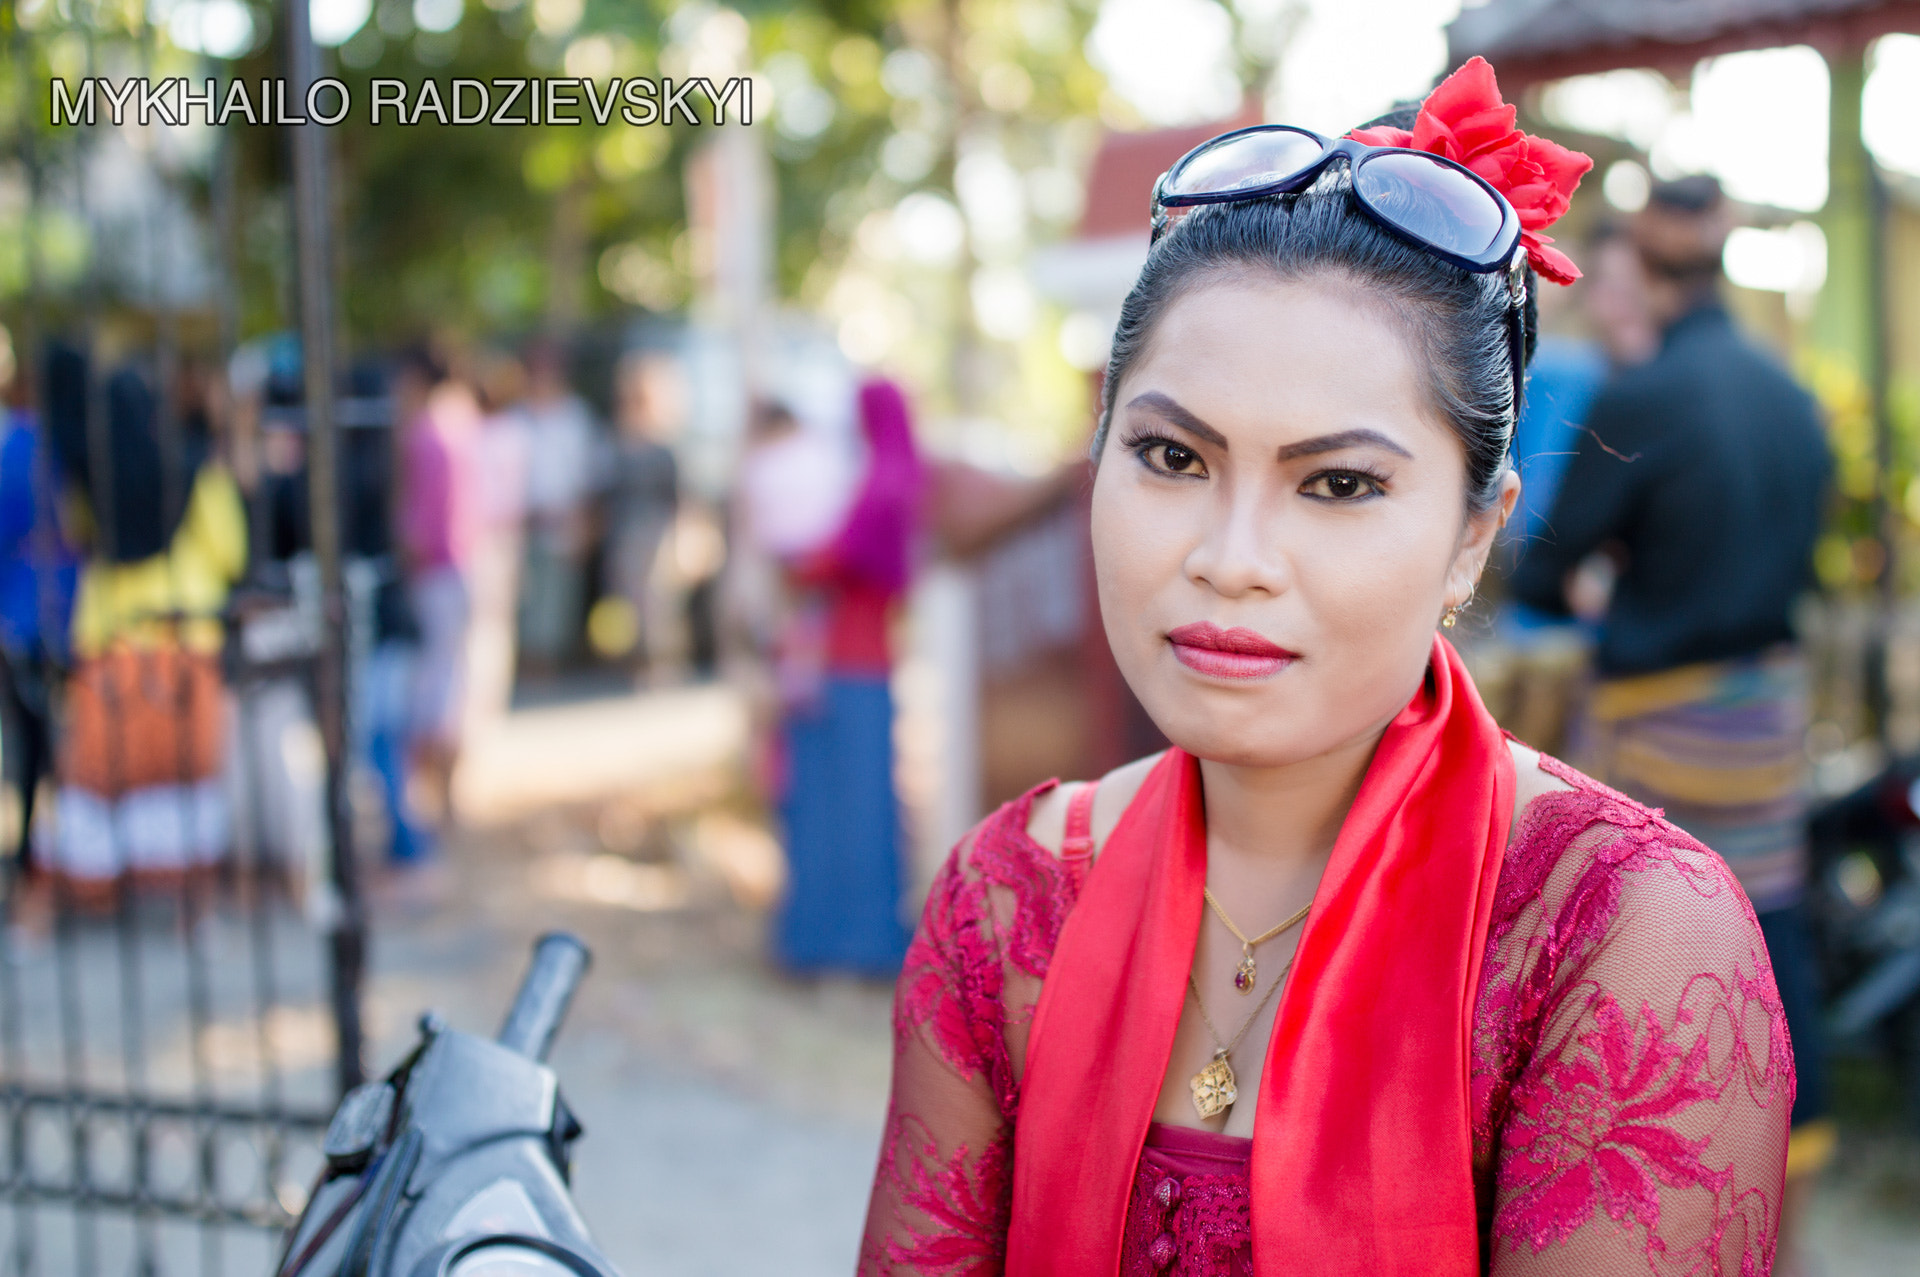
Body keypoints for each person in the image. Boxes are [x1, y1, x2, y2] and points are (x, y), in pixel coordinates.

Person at [861, 60, 1792, 1275]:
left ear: (1474, 534)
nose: (1231, 558)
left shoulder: (1615, 938)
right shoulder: (1005, 903)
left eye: (1338, 483)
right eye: (1171, 457)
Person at [1509, 174, 1833, 1273]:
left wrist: (1604, 588)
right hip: (1769, 714)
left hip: (1663, 721)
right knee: (1772, 929)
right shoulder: (1789, 397)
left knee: (1644, 954)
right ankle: (1787, 1186)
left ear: (1646, 273)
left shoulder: (1642, 399)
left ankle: (1645, 1210)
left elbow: (1547, 574)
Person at [43, 346, 247, 903]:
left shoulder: (90, 467)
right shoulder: (193, 464)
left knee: (104, 774)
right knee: (186, 775)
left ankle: (101, 890)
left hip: (112, 627)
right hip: (185, 628)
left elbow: (74, 532)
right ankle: (196, 903)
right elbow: (229, 550)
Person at [773, 380, 923, 976]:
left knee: (835, 805)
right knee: (866, 803)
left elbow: (839, 558)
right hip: (869, 660)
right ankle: (865, 935)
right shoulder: (898, 478)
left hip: (843, 665)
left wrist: (793, 561)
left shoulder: (878, 485)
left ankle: (828, 939)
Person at [394, 344, 483, 837]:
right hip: (459, 568)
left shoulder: (427, 434)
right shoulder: (458, 424)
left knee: (432, 691)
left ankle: (432, 803)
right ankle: (443, 801)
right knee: (450, 686)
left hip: (436, 573)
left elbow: (422, 524)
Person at [0, 341, 77, 892]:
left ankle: (39, 857)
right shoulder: (44, 439)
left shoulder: (25, 441)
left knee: (36, 740)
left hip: (26, 609)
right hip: (46, 604)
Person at [515, 342, 597, 678]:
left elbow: (589, 473)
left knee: (557, 598)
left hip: (564, 521)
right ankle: (527, 660)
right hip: (522, 522)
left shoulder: (575, 418)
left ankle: (549, 662)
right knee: (527, 596)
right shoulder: (516, 418)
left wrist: (586, 521)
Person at [600, 351, 681, 679]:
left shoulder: (663, 447)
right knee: (623, 601)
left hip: (654, 532)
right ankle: (627, 661)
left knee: (656, 598)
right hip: (623, 532)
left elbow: (676, 495)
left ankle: (659, 661)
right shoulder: (616, 442)